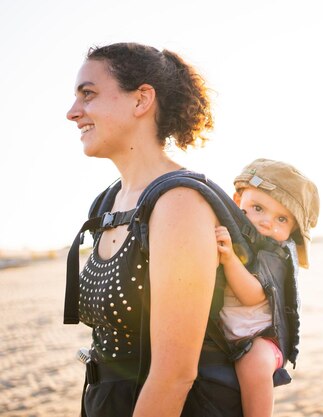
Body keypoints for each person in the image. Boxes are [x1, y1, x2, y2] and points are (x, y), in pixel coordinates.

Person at [65, 42, 241, 417]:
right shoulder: (107, 203)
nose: (72, 112)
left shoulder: (178, 204)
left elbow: (174, 375)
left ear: (142, 99)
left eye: (88, 94)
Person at [215, 158, 320, 417]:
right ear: (237, 200)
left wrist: (229, 260)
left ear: (292, 230)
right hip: (226, 336)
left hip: (261, 339)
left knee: (255, 363)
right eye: (258, 208)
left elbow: (252, 295)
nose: (266, 223)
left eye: (281, 218)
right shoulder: (228, 232)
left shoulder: (275, 253)